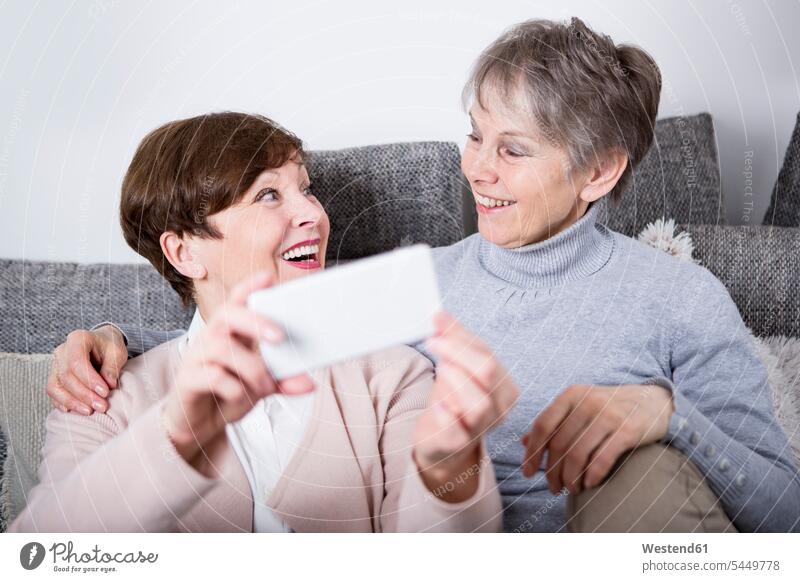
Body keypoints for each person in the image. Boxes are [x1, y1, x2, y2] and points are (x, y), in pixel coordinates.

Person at [46, 18, 800, 532]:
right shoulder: (414, 286)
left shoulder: (676, 297)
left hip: (606, 542)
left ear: (598, 171)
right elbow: (245, 324)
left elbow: (783, 513)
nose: (475, 169)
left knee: (651, 473)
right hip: (454, 542)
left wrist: (666, 414)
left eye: (513, 150)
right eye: (473, 136)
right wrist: (111, 339)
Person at [11, 112, 519, 533]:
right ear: (184, 251)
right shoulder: (102, 395)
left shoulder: (394, 374)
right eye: (268, 195)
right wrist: (178, 435)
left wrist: (451, 465)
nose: (314, 217)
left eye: (306, 189)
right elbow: (43, 558)